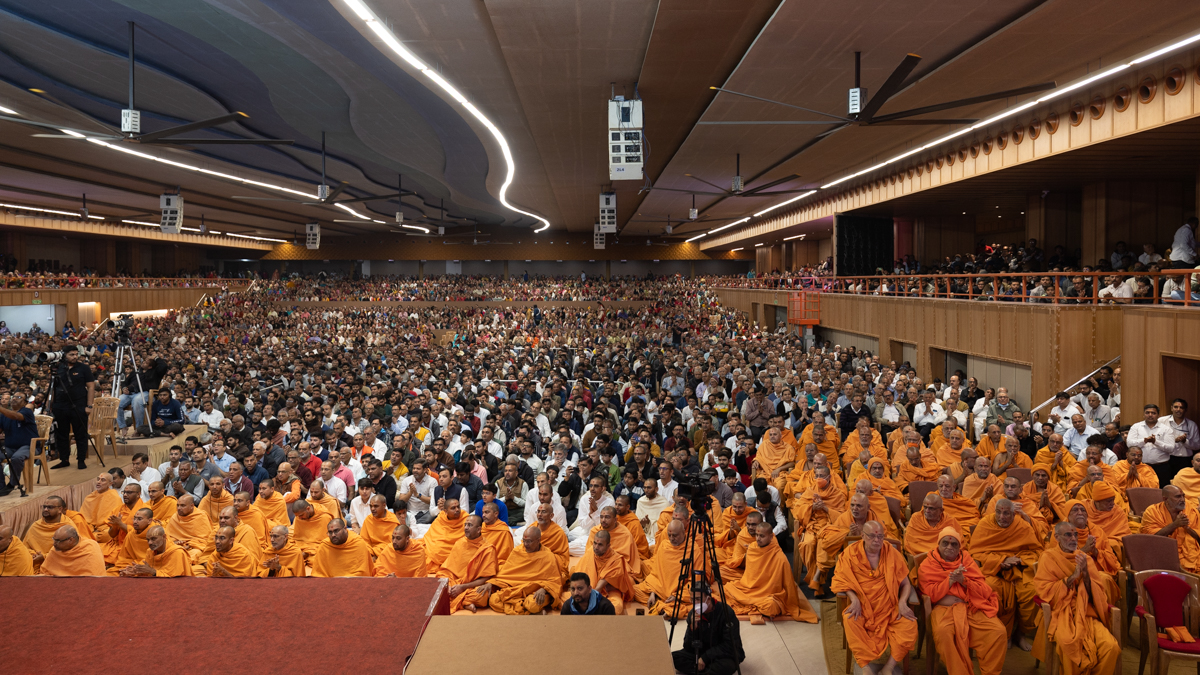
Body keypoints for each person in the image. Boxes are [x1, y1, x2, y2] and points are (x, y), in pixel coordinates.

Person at [1033, 522, 1122, 675]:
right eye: (1068, 535)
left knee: (1111, 647)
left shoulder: (1084, 558)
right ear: (1057, 537)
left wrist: (1085, 574)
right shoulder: (1048, 557)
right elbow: (1045, 591)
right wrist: (1073, 577)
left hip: (1087, 612)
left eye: (1075, 535)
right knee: (1068, 644)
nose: (1073, 538)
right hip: (1061, 613)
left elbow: (1097, 594)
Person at [918, 527, 1008, 675]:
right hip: (943, 610)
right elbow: (929, 595)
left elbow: (984, 590)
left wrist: (964, 581)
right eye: (945, 543)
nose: (949, 547)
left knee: (998, 631)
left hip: (970, 607)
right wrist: (949, 581)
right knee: (943, 632)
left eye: (954, 544)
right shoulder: (928, 564)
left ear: (959, 547)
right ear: (938, 544)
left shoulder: (967, 560)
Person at [832, 520, 919, 674]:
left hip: (889, 607)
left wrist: (902, 602)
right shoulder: (850, 554)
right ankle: (865, 667)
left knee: (909, 625)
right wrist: (854, 599)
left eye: (880, 537)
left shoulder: (892, 553)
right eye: (872, 536)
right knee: (850, 619)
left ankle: (889, 667)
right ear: (862, 536)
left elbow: (906, 584)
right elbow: (842, 580)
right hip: (862, 607)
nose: (877, 540)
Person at [968, 498, 1041, 649]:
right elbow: (975, 553)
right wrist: (1001, 561)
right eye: (998, 512)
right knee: (991, 588)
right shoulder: (985, 524)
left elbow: (1036, 552)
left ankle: (1020, 634)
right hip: (993, 571)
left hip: (1019, 571)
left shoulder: (1022, 526)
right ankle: (1000, 634)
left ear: (1014, 514)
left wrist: (1019, 560)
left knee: (1032, 592)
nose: (1002, 517)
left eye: (1006, 513)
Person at [724, 522, 818, 623]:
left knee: (770, 607)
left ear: (771, 536)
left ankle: (751, 603)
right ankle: (753, 603)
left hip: (769, 594)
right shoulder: (752, 548)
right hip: (749, 589)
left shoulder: (779, 556)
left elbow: (788, 584)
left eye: (762, 536)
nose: (758, 538)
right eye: (757, 535)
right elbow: (749, 576)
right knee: (726, 589)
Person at [470, 526, 562, 614]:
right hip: (514, 590)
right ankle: (527, 610)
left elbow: (555, 581)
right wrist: (491, 583)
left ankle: (524, 608)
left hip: (535, 592)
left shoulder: (548, 556)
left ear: (538, 540)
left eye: (529, 541)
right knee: (493, 600)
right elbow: (505, 574)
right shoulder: (517, 551)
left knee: (532, 604)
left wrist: (544, 590)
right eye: (524, 541)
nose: (526, 544)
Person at [671, 576, 746, 675]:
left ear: (708, 599)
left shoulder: (726, 612)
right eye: (692, 600)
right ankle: (704, 670)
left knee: (726, 666)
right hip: (702, 650)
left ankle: (699, 669)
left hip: (722, 654)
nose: (695, 603)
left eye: (698, 599)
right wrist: (692, 628)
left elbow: (730, 645)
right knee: (672, 658)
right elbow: (688, 647)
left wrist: (705, 658)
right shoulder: (692, 614)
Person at [634, 519, 708, 618]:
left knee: (702, 602)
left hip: (680, 594)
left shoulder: (693, 550)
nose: (672, 538)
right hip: (659, 590)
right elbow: (656, 573)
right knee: (634, 590)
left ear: (683, 533)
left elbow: (696, 580)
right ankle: (663, 605)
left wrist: (677, 596)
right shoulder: (664, 546)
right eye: (669, 535)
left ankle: (663, 606)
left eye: (675, 535)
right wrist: (653, 593)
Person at [438, 514, 499, 612]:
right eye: (465, 525)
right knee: (438, 585)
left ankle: (462, 601)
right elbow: (447, 570)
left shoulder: (488, 549)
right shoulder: (459, 543)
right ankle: (465, 603)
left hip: (472, 586)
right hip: (455, 582)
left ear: (478, 529)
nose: (466, 528)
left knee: (482, 596)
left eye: (470, 525)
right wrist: (448, 585)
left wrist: (462, 587)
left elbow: (486, 578)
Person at [50, 347, 95, 470]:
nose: (75, 357)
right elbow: (53, 387)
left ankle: (81, 460)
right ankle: (64, 459)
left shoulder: (83, 368)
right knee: (61, 434)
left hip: (79, 404)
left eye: (76, 354)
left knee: (80, 433)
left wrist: (89, 405)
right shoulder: (58, 368)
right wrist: (51, 405)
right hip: (60, 405)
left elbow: (91, 387)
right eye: (71, 354)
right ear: (64, 355)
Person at [570, 529, 633, 615]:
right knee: (565, 600)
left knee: (616, 607)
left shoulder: (616, 560)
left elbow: (598, 588)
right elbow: (580, 575)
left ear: (608, 546)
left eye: (600, 545)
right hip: (587, 590)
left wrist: (589, 603)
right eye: (595, 543)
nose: (596, 547)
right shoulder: (590, 552)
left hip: (609, 593)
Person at [1142, 484, 1200, 574]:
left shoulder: (1190, 510)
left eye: (1183, 496)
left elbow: (1198, 536)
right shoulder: (1152, 511)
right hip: (1163, 554)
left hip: (1191, 553)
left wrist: (1187, 528)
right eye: (1178, 497)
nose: (1182, 499)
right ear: (1165, 499)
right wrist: (1175, 524)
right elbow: (1150, 539)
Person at [0, 392, 38, 495]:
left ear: (25, 402)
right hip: (10, 447)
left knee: (17, 457)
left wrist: (1, 409)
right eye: (13, 397)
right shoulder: (4, 416)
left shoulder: (27, 411)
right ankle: (1, 486)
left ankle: (12, 484)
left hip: (28, 446)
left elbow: (16, 416)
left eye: (19, 397)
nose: (14, 398)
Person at [118, 525, 192, 577]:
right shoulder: (150, 552)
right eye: (148, 540)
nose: (150, 543)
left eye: (153, 539)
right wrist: (135, 572)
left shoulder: (177, 552)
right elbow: (149, 573)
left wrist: (152, 571)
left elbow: (175, 579)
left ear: (164, 537)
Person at [904, 493, 963, 558]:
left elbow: (959, 542)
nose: (927, 511)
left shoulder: (950, 521)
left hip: (946, 557)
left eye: (931, 508)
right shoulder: (916, 518)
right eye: (925, 507)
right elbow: (911, 543)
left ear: (941, 510)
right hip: (921, 556)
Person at [311, 518, 375, 577]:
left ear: (345, 529)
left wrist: (343, 581)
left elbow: (363, 572)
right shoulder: (325, 546)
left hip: (354, 581)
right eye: (330, 532)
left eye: (336, 531)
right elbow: (318, 574)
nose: (333, 535)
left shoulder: (358, 543)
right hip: (330, 582)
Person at [39, 525, 106, 576]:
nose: (54, 544)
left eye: (58, 541)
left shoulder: (90, 548)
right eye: (54, 539)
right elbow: (45, 572)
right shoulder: (56, 549)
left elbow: (93, 577)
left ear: (71, 540)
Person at [422, 497, 467, 574]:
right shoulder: (440, 518)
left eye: (458, 507)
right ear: (445, 511)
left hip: (458, 550)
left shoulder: (466, 518)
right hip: (440, 548)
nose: (457, 510)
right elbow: (431, 536)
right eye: (453, 508)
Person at [164, 494, 213, 563]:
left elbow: (205, 540)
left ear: (191, 506)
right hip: (176, 546)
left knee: (196, 553)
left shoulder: (201, 516)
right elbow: (168, 537)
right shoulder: (175, 517)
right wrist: (176, 543)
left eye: (182, 505)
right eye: (178, 505)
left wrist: (189, 545)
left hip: (194, 548)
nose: (179, 508)